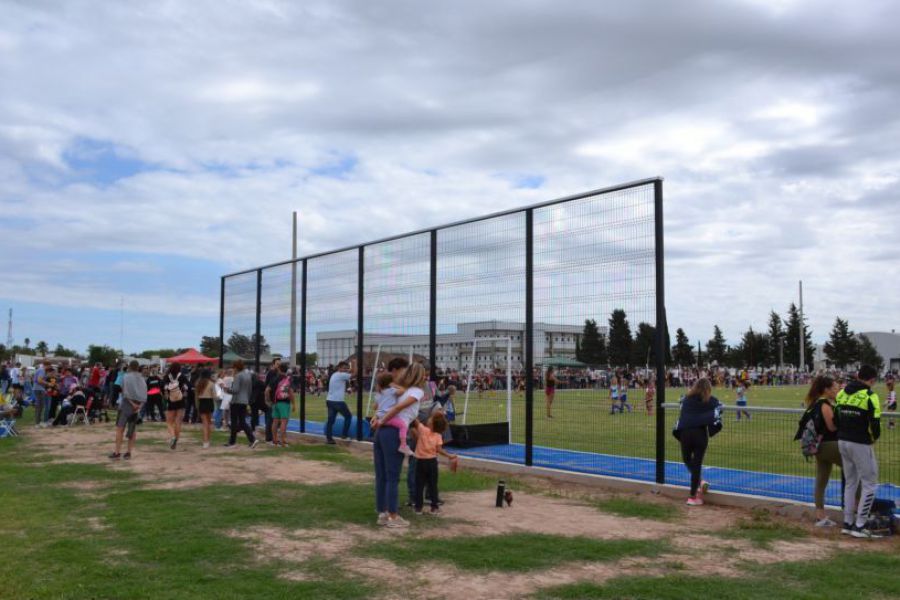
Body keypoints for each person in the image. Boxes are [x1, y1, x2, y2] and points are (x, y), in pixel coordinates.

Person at [371, 359, 422, 529]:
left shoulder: (397, 391)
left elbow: (379, 405)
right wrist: (382, 420)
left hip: (381, 433)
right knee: (392, 476)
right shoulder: (415, 392)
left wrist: (378, 418)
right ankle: (393, 516)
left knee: (381, 475)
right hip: (391, 433)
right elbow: (397, 409)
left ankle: (383, 513)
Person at [836, 365, 883, 539]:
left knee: (850, 482)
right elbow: (875, 423)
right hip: (860, 442)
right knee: (870, 483)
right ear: (871, 380)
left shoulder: (842, 393)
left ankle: (848, 523)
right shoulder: (870, 396)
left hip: (842, 441)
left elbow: (836, 417)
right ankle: (860, 524)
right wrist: (873, 438)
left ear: (858, 376)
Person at [673, 378, 722, 506]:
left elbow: (680, 401)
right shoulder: (711, 401)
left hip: (685, 433)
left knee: (687, 460)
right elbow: (719, 407)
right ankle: (693, 496)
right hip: (700, 435)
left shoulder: (687, 399)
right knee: (696, 464)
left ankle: (697, 488)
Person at [802, 376, 843, 527]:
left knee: (821, 480)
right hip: (829, 445)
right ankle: (856, 511)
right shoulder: (824, 404)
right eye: (834, 388)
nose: (837, 391)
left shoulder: (814, 403)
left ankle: (820, 516)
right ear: (826, 390)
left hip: (818, 446)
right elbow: (832, 427)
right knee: (854, 470)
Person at [411, 412, 458, 515]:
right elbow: (439, 450)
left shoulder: (423, 430)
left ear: (432, 424)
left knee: (419, 485)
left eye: (430, 419)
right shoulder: (438, 436)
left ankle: (418, 508)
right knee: (433, 485)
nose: (428, 419)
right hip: (432, 463)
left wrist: (412, 412)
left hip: (421, 462)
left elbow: (415, 421)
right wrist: (449, 456)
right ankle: (434, 507)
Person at [109, 361, 148, 460]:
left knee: (120, 429)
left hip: (126, 405)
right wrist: (139, 406)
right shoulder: (142, 379)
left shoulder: (125, 377)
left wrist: (132, 403)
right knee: (132, 430)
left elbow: (124, 392)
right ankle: (128, 452)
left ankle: (117, 452)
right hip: (137, 407)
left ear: (130, 367)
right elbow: (144, 394)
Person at [225, 359, 258, 448]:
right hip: (244, 401)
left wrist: (226, 389)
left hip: (236, 401)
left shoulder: (238, 376)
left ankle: (233, 442)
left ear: (236, 367)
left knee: (235, 422)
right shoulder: (248, 375)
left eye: (233, 367)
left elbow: (235, 390)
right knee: (242, 421)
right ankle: (252, 439)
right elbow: (250, 390)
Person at [325, 361, 354, 444]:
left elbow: (349, 372)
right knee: (348, 417)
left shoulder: (335, 374)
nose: (345, 370)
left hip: (329, 400)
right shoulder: (342, 375)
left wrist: (349, 368)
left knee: (331, 420)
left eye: (346, 368)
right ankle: (344, 435)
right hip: (338, 401)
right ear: (339, 368)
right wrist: (355, 363)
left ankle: (329, 439)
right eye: (344, 368)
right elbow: (354, 373)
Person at [163, 363, 187, 450]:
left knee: (169, 422)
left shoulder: (167, 376)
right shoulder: (182, 376)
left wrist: (166, 395)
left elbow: (164, 388)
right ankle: (176, 440)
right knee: (178, 422)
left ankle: (172, 436)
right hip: (181, 400)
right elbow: (186, 387)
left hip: (171, 401)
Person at [271, 363, 295, 447]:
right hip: (284, 402)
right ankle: (283, 441)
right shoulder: (288, 379)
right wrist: (294, 404)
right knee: (284, 422)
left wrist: (267, 400)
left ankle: (274, 440)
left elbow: (267, 390)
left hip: (275, 402)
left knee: (275, 421)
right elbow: (290, 392)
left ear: (279, 369)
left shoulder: (274, 379)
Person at [195, 369, 216, 449]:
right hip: (209, 402)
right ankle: (208, 440)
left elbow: (196, 396)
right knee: (209, 422)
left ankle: (205, 441)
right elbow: (214, 396)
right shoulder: (211, 384)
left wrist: (197, 405)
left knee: (204, 423)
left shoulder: (198, 383)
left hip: (201, 402)